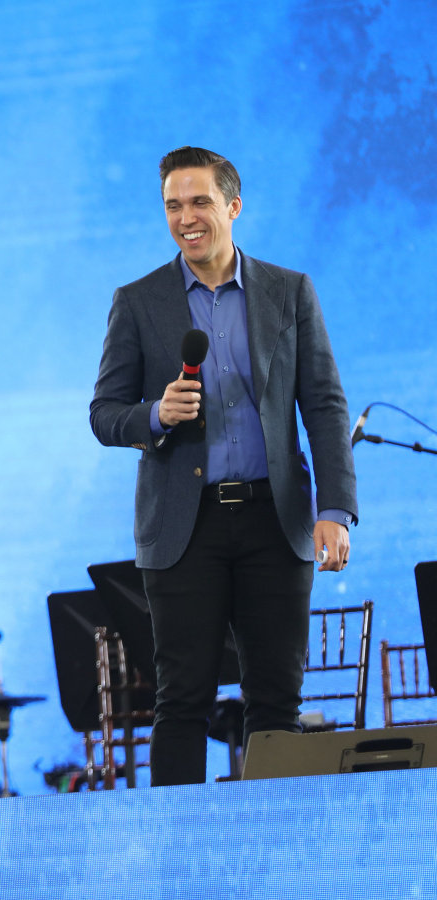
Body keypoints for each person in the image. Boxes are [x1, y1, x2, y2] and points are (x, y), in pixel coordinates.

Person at [89, 147, 358, 786]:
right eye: (173, 206)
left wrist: (334, 509)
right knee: (182, 700)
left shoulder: (290, 292)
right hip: (185, 528)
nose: (186, 218)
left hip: (276, 521)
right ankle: (178, 845)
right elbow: (105, 414)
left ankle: (275, 840)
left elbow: (324, 405)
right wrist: (156, 414)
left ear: (233, 207)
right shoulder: (138, 301)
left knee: (277, 703)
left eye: (199, 202)